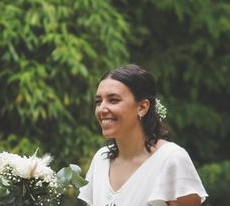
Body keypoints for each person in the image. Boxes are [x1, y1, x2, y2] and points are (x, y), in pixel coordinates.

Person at [78, 64, 207, 206]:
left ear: (142, 107)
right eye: (98, 101)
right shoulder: (100, 160)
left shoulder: (172, 159)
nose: (101, 109)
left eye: (113, 100)